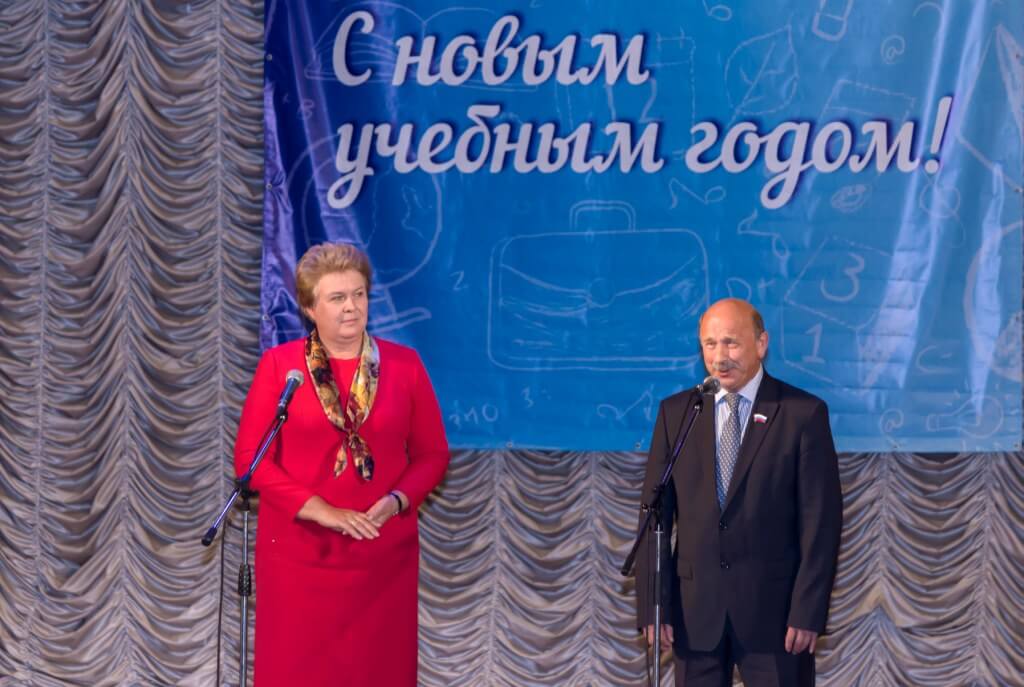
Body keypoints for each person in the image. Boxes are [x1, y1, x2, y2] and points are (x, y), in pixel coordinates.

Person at [233, 242, 449, 686]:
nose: (352, 307)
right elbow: (251, 462)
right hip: (298, 557)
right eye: (337, 298)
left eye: (359, 294)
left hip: (381, 556)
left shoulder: (405, 366)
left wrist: (396, 501)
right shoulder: (281, 368)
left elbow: (432, 455)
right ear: (310, 308)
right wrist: (322, 511)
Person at [635, 297, 842, 687]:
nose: (719, 357)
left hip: (777, 618)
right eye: (710, 344)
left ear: (761, 344)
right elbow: (655, 516)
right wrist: (654, 606)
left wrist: (808, 611)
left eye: (731, 343)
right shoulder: (678, 413)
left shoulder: (801, 413)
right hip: (694, 615)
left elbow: (821, 525)